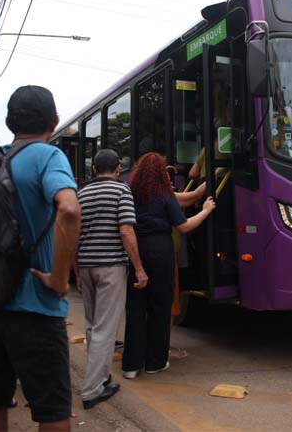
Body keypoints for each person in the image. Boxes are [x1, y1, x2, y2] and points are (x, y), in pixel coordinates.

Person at [0, 85, 80, 432]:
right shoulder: (48, 157)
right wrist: (59, 277)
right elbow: (69, 209)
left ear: (9, 121)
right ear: (54, 121)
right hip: (36, 307)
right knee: (51, 410)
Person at [122, 152, 215, 379]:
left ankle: (131, 366)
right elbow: (183, 226)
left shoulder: (129, 194)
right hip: (161, 251)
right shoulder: (165, 196)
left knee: (135, 309)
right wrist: (205, 210)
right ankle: (155, 362)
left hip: (136, 250)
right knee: (160, 307)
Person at [75, 149, 148, 410]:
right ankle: (92, 390)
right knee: (106, 329)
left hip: (86, 266)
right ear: (118, 169)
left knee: (93, 326)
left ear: (93, 169)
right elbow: (126, 230)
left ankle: (102, 378)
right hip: (110, 267)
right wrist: (139, 268)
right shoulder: (121, 191)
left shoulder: (81, 193)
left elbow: (74, 234)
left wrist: (76, 271)